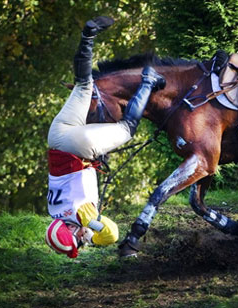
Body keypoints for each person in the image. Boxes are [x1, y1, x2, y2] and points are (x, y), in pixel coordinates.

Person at [44, 16, 165, 258]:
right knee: (82, 85)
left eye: (77, 243)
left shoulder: (82, 216)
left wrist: (92, 233)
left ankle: (148, 80)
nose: (81, 244)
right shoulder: (53, 211)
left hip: (77, 147)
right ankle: (88, 35)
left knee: (127, 128)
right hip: (56, 137)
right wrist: (84, 230)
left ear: (70, 231)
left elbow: (111, 234)